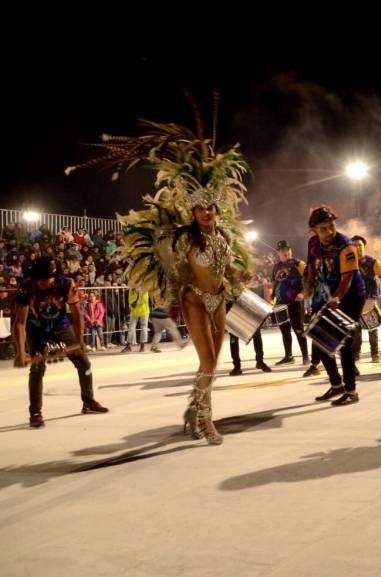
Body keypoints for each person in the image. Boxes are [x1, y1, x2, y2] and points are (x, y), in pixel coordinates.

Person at [67, 118, 252, 445]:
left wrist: (240, 274)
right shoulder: (185, 240)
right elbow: (177, 275)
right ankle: (206, 421)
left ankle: (195, 410)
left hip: (218, 299)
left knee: (211, 364)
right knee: (208, 361)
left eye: (210, 208)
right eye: (200, 210)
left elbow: (227, 269)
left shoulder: (223, 238)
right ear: (193, 213)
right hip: (195, 299)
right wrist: (175, 304)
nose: (207, 213)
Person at [13, 257, 109, 428]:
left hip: (61, 327)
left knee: (84, 363)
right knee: (37, 368)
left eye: (45, 279)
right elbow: (20, 322)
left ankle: (88, 401)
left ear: (54, 275)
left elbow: (77, 313)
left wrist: (79, 341)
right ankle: (35, 412)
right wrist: (21, 352)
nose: (41, 282)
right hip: (36, 330)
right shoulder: (26, 286)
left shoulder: (66, 284)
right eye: (38, 279)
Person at [305, 206, 366, 406]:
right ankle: (336, 384)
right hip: (326, 294)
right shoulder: (313, 244)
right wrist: (306, 289)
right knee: (320, 340)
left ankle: (351, 391)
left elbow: (346, 278)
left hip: (351, 296)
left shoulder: (346, 246)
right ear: (314, 230)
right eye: (323, 229)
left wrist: (337, 298)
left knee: (344, 342)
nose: (329, 232)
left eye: (331, 226)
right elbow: (311, 271)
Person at [271, 240, 309, 366]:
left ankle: (305, 356)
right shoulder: (276, 267)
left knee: (298, 329)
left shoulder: (299, 264)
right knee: (284, 331)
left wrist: (303, 293)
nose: (285, 252)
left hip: (294, 302)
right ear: (278, 253)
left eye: (287, 250)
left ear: (290, 250)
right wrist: (272, 297)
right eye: (282, 251)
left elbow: (310, 279)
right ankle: (289, 356)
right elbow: (275, 283)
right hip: (280, 302)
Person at [350, 235, 381, 363]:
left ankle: (375, 354)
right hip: (355, 299)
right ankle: (356, 354)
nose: (357, 248)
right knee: (356, 329)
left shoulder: (372, 262)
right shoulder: (349, 263)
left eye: (359, 245)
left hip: (370, 298)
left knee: (372, 327)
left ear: (364, 247)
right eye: (354, 245)